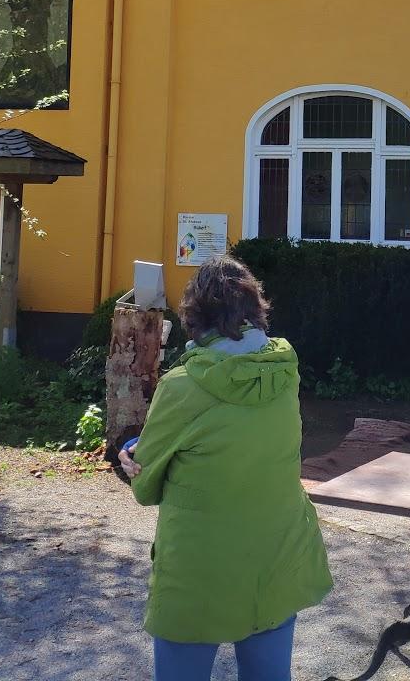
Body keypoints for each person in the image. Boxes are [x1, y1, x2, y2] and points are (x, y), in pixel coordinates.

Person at [119, 255, 332, 680]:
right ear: (255, 308)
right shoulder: (283, 372)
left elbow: (146, 486)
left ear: (195, 315)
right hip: (277, 555)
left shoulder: (181, 386)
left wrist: (132, 452)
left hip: (200, 568)